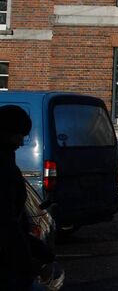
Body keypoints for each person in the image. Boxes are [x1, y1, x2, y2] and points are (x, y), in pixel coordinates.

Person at [0, 104, 37, 290]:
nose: (22, 142)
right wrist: (26, 259)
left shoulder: (7, 158)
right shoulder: (3, 164)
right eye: (20, 135)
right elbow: (6, 219)